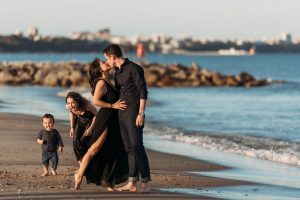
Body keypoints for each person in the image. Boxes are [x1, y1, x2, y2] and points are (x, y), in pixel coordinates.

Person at [74, 58, 128, 190]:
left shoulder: (109, 80)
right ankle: (79, 175)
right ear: (99, 69)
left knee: (111, 150)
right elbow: (96, 101)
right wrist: (113, 105)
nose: (106, 62)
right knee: (94, 148)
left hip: (113, 119)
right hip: (105, 118)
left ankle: (109, 183)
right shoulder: (101, 82)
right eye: (103, 62)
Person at [103, 44, 151, 193]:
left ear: (113, 57)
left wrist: (141, 113)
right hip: (122, 114)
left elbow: (143, 92)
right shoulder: (117, 72)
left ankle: (146, 182)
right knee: (129, 149)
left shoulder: (134, 69)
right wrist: (105, 75)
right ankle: (132, 183)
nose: (107, 62)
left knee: (137, 147)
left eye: (107, 59)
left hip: (134, 114)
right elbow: (117, 91)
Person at [65, 92, 97, 166]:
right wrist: (72, 127)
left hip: (90, 122)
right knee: (75, 140)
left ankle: (88, 163)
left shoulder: (88, 106)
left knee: (84, 141)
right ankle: (81, 165)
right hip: (79, 122)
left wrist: (91, 128)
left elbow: (97, 115)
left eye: (72, 103)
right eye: (68, 103)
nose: (70, 105)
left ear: (78, 101)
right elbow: (72, 114)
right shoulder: (69, 107)